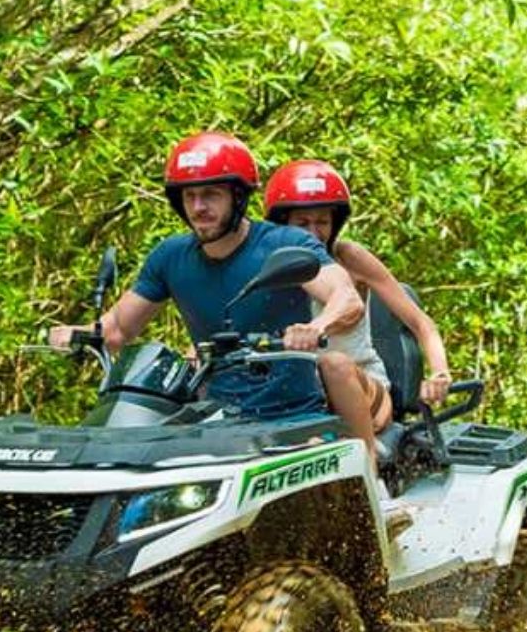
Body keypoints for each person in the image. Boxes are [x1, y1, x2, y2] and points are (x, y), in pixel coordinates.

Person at [49, 132, 378, 443]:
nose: (198, 207)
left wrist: (315, 327)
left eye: (210, 194)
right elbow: (118, 329)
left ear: (237, 197)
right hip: (213, 420)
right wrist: (74, 333)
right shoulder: (170, 256)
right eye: (189, 196)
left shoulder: (285, 243)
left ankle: (372, 486)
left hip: (292, 418)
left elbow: (346, 299)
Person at [263, 159, 455, 442]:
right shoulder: (266, 267)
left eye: (322, 222)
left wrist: (440, 373)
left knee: (335, 364)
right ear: (284, 224)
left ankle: (369, 465)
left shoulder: (349, 258)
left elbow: (421, 323)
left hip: (363, 388)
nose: (313, 233)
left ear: (335, 223)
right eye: (302, 224)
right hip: (295, 397)